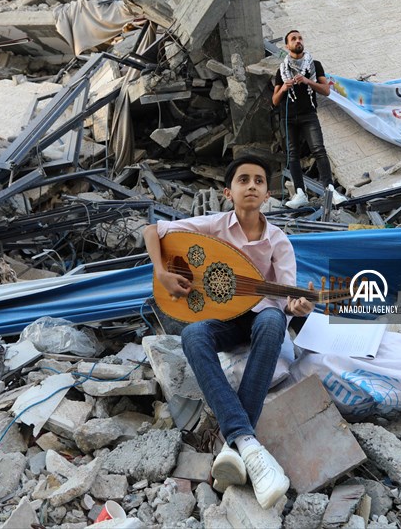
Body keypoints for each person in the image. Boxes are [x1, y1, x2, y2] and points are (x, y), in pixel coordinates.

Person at [143, 156, 312, 509]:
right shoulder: (213, 226)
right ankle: (247, 444)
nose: (252, 185)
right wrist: (161, 272)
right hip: (224, 320)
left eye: (259, 181)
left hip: (262, 319)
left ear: (267, 193)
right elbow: (153, 231)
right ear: (227, 191)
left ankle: (234, 443)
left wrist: (297, 306)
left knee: (272, 321)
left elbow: (288, 295)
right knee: (192, 335)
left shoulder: (279, 241)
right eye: (243, 180)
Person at [271, 30, 347, 208]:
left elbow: (326, 90)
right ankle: (299, 193)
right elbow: (274, 101)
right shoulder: (282, 70)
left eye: (299, 38)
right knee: (292, 155)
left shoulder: (314, 65)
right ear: (287, 46)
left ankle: (330, 190)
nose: (298, 41)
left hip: (308, 115)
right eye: (293, 39)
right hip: (288, 117)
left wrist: (307, 81)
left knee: (319, 149)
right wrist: (284, 88)